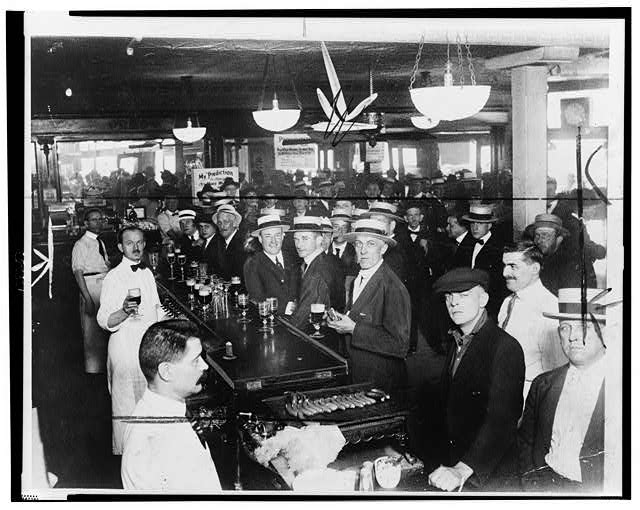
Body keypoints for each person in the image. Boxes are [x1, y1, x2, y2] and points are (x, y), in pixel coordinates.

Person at [428, 267, 524, 491]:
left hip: (488, 476)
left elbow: (502, 421)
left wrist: (463, 468)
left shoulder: (505, 347)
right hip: (456, 466)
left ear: (484, 299)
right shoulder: (457, 340)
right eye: (449, 297)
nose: (454, 303)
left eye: (463, 295)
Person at [519, 288, 609, 493]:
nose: (572, 337)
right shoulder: (543, 384)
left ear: (604, 330)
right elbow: (525, 443)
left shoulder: (622, 388)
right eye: (565, 328)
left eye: (583, 326)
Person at [121, 320, 222, 491]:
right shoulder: (160, 442)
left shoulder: (159, 410)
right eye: (195, 361)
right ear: (167, 371)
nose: (204, 366)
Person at [97, 226, 164, 454]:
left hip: (148, 346)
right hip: (125, 348)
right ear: (120, 247)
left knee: (149, 403)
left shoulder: (146, 273)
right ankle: (129, 457)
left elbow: (156, 308)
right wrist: (125, 310)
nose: (136, 248)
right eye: (129, 243)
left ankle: (149, 455)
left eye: (139, 242)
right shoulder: (114, 277)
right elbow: (103, 319)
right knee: (127, 406)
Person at [327, 219, 411, 391]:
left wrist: (353, 329)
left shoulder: (393, 287)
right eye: (359, 244)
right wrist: (342, 321)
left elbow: (400, 345)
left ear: (383, 248)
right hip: (358, 373)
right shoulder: (358, 278)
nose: (363, 251)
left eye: (370, 244)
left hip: (380, 381)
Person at [499, 241, 567, 401]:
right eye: (504, 265)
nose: (504, 273)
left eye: (513, 266)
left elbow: (555, 368)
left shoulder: (549, 307)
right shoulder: (508, 301)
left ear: (535, 269)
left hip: (531, 396)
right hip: (503, 390)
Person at [72, 208, 111, 373]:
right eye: (94, 220)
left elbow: (106, 264)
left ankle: (105, 370)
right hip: (91, 287)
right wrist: (87, 298)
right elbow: (77, 272)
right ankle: (93, 373)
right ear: (86, 224)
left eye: (100, 219)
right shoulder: (81, 244)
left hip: (104, 286)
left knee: (104, 330)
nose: (98, 222)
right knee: (92, 334)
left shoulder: (99, 242)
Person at [528, 213, 597, 296]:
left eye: (545, 235)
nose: (539, 241)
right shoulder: (539, 258)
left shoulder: (572, 263)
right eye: (537, 235)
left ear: (560, 238)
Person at [243, 214, 299, 312]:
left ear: (283, 236)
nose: (273, 241)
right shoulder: (252, 264)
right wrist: (287, 308)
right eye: (268, 236)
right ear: (260, 239)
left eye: (277, 235)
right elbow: (257, 299)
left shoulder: (294, 258)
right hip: (273, 321)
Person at [286, 216, 334, 329]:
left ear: (319, 240)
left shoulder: (317, 271)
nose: (298, 245)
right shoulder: (310, 263)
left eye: (305, 238)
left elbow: (300, 320)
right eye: (296, 239)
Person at [461, 203, 507, 318]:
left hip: (490, 307)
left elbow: (499, 286)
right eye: (472, 223)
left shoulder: (499, 248)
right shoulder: (466, 244)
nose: (475, 228)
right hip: (468, 303)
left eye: (480, 224)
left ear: (489, 225)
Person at [363, 201, 408, 285]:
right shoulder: (369, 244)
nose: (375, 225)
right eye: (372, 221)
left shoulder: (397, 251)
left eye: (380, 221)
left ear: (392, 225)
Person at [211, 204, 247, 281]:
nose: (222, 226)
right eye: (219, 223)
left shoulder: (241, 243)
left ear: (235, 223)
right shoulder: (220, 242)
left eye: (226, 222)